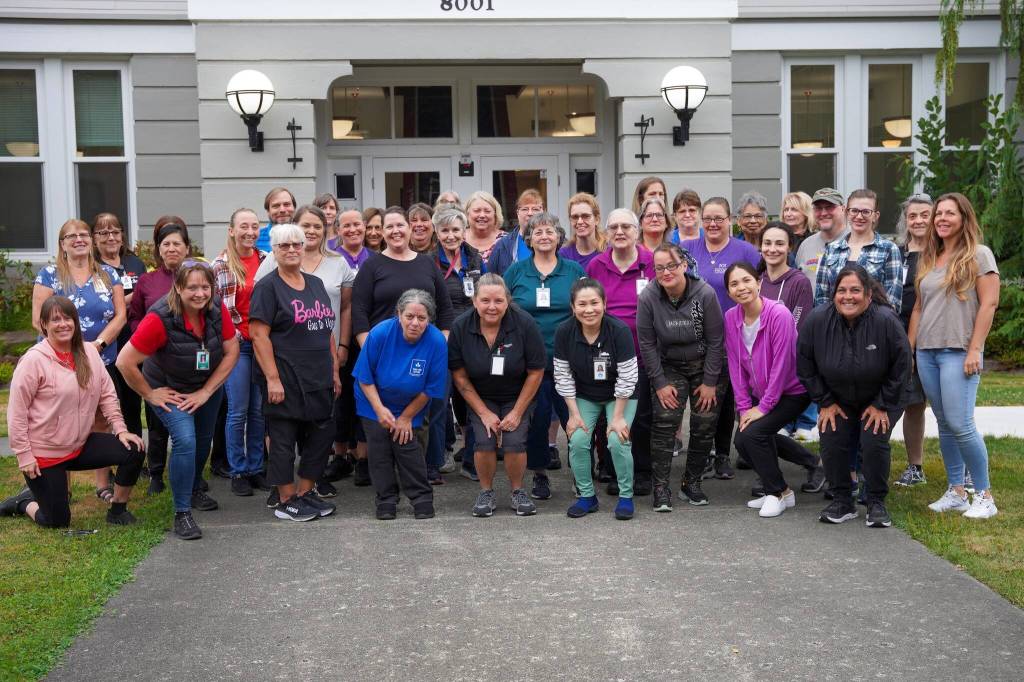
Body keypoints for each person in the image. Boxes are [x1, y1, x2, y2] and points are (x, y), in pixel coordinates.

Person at [116, 262, 240, 540]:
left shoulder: (217, 309)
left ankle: (194, 487)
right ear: (179, 288)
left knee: (203, 440)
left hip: (206, 387)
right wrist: (149, 393)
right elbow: (125, 362)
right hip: (169, 388)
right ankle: (182, 513)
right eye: (192, 287)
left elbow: (232, 351)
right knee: (185, 440)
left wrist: (207, 392)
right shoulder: (159, 318)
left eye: (205, 287)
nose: (200, 293)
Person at [2, 296, 144, 528]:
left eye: (68, 318)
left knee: (134, 448)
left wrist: (120, 430)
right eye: (55, 320)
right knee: (57, 521)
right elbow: (17, 413)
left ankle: (117, 509)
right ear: (44, 325)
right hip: (45, 454)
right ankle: (22, 502)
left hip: (79, 445)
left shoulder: (88, 352)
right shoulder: (33, 361)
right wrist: (24, 456)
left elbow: (107, 395)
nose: (63, 324)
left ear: (76, 323)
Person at [909, 193, 1000, 519]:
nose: (942, 219)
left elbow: (988, 304)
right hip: (927, 352)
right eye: (939, 214)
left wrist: (975, 348)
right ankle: (957, 491)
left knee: (961, 424)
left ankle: (985, 496)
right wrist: (910, 348)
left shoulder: (979, 254)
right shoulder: (931, 257)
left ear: (964, 218)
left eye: (950, 213)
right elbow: (919, 307)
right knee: (945, 424)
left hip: (958, 350)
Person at [797, 265, 911, 527]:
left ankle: (875, 502)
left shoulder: (886, 320)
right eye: (842, 291)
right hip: (837, 398)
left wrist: (882, 404)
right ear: (833, 294)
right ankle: (842, 500)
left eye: (855, 290)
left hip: (883, 397)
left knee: (872, 440)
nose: (848, 296)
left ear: (869, 295)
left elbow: (902, 366)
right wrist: (824, 402)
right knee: (832, 437)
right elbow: (805, 365)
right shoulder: (817, 320)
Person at [256, 205, 355, 498]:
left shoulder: (315, 283)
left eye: (296, 245)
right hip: (284, 373)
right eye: (284, 245)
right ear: (274, 250)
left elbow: (326, 327)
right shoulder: (267, 286)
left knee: (322, 432)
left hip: (318, 374)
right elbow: (259, 335)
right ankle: (285, 497)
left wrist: (334, 371)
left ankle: (305, 492)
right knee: (284, 438)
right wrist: (272, 378)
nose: (291, 250)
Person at [351, 206, 455, 484]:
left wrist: (439, 345)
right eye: (389, 227)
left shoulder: (425, 263)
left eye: (401, 225)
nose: (396, 231)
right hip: (382, 354)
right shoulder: (372, 265)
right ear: (381, 232)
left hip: (424, 353)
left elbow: (445, 308)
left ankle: (427, 466)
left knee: (430, 410)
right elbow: (359, 311)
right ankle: (384, 473)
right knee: (381, 412)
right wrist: (370, 349)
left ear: (410, 229)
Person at [32, 218, 127, 504]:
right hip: (59, 362)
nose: (79, 239)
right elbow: (39, 318)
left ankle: (102, 483)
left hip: (100, 357)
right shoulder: (49, 275)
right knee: (58, 421)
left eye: (84, 234)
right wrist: (68, 348)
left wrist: (97, 345)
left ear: (91, 240)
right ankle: (62, 485)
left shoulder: (109, 274)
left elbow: (121, 316)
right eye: (71, 236)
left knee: (100, 418)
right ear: (62, 244)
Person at [723, 263, 823, 518]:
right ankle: (786, 489)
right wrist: (745, 408)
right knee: (743, 440)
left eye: (746, 280)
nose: (741, 287)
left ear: (759, 283)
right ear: (728, 291)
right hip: (761, 394)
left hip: (793, 391)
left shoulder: (779, 314)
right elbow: (735, 366)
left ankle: (775, 492)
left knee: (754, 435)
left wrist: (764, 407)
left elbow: (782, 363)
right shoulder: (731, 317)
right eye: (734, 284)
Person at [637, 244, 726, 511]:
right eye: (660, 267)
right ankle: (660, 487)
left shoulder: (704, 294)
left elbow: (716, 340)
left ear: (684, 265)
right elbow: (647, 343)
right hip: (669, 365)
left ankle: (692, 482)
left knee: (704, 424)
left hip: (705, 365)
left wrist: (710, 382)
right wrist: (660, 383)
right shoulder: (648, 297)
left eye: (671, 266)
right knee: (664, 422)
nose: (666, 272)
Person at [448, 273, 546, 517]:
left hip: (518, 394)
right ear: (474, 301)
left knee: (514, 441)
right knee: (484, 439)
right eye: (485, 300)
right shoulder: (461, 326)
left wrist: (517, 412)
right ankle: (486, 491)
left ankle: (517, 491)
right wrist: (483, 412)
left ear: (507, 301)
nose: (492, 307)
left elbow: (536, 371)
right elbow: (459, 376)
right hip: (480, 395)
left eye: (499, 301)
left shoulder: (524, 323)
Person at [504, 212, 586, 500]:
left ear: (559, 236)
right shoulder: (516, 272)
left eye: (549, 231)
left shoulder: (574, 270)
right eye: (537, 232)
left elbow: (587, 309)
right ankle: (539, 474)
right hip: (529, 363)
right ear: (528, 239)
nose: (543, 236)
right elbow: (503, 312)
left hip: (569, 360)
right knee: (537, 420)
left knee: (575, 418)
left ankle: (581, 473)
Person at [681, 197, 760, 478]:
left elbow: (759, 287)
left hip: (734, 335)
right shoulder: (687, 248)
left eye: (719, 218)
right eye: (708, 219)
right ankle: (701, 454)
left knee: (726, 398)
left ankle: (723, 455)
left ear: (730, 221)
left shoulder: (746, 251)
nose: (713, 224)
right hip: (693, 335)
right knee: (702, 398)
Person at [353, 290, 448, 520]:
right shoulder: (380, 333)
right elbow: (364, 377)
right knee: (379, 449)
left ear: (429, 320)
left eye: (422, 318)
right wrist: (379, 410)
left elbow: (431, 388)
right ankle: (386, 499)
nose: (415, 323)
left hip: (411, 404)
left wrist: (405, 417)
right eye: (409, 316)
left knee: (408, 446)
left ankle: (422, 497)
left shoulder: (436, 341)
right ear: (399, 314)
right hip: (373, 401)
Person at [554, 278, 640, 520]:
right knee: (578, 438)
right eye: (582, 304)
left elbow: (628, 375)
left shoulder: (619, 331)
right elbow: (562, 374)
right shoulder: (564, 332)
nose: (589, 309)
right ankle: (586, 496)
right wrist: (573, 414)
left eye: (594, 303)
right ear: (572, 307)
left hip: (620, 395)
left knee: (616, 439)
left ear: (605, 303)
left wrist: (619, 417)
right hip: (585, 395)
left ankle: (625, 496)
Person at [585, 208, 655, 496]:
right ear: (606, 232)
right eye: (613, 227)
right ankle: (614, 470)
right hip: (605, 356)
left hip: (644, 354)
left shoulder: (651, 263)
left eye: (626, 226)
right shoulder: (596, 266)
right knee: (609, 416)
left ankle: (642, 472)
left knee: (640, 418)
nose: (620, 232)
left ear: (637, 231)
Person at [127, 218, 189, 489]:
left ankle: (188, 471)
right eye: (166, 244)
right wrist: (147, 336)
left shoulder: (195, 277)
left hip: (188, 361)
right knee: (156, 417)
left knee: (186, 418)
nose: (172, 249)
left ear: (187, 248)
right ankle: (155, 472)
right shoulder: (147, 281)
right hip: (155, 361)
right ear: (159, 250)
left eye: (177, 243)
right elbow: (134, 318)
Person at [213, 208, 269, 497]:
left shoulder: (266, 261)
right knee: (238, 410)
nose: (250, 231)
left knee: (259, 410)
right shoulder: (220, 265)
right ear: (232, 230)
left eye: (255, 226)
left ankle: (256, 467)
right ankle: (238, 470)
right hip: (236, 346)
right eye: (243, 226)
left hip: (262, 343)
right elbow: (213, 309)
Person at [431, 205, 486, 479]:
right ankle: (440, 454)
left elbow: (485, 294)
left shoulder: (475, 258)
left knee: (472, 398)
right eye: (445, 230)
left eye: (456, 229)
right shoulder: (429, 261)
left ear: (464, 231)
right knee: (441, 399)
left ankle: (473, 458)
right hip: (442, 339)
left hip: (473, 338)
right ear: (437, 233)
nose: (451, 235)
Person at [91, 213, 148, 461]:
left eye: (115, 231)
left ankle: (134, 456)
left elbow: (146, 298)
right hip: (105, 346)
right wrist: (128, 300)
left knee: (133, 404)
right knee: (110, 406)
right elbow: (98, 306)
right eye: (103, 233)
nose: (111, 237)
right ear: (94, 239)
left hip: (134, 343)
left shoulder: (135, 264)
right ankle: (110, 459)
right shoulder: (91, 268)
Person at [758, 221, 817, 443]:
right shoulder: (755, 279)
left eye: (779, 244)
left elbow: (796, 326)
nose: (772, 249)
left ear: (790, 247)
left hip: (786, 363)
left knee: (770, 433)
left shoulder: (799, 282)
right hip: (757, 365)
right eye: (767, 243)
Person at [892, 194, 933, 487]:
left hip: (935, 337)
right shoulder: (897, 252)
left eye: (924, 215)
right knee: (913, 403)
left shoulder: (942, 254)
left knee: (950, 408)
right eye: (912, 216)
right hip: (900, 336)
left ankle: (965, 468)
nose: (918, 221)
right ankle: (915, 466)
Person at [813, 189, 904, 312]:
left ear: (875, 216)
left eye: (866, 212)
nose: (859, 216)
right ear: (846, 212)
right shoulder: (832, 249)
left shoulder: (888, 249)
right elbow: (821, 298)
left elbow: (892, 303)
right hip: (834, 326)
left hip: (874, 327)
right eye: (854, 211)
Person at [795, 187, 846, 282]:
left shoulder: (855, 241)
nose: (823, 213)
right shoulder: (806, 245)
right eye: (818, 208)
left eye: (829, 207)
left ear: (843, 209)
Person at [488, 189, 545, 276]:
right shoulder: (503, 245)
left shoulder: (556, 243)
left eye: (535, 209)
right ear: (517, 213)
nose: (530, 213)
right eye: (525, 209)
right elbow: (491, 278)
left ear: (543, 212)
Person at [559, 192, 606, 269]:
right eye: (575, 217)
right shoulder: (563, 255)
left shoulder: (609, 252)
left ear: (597, 219)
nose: (580, 222)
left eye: (586, 216)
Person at [463, 191, 505, 264]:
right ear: (467, 213)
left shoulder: (507, 240)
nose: (482, 215)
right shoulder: (458, 239)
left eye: (487, 211)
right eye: (477, 211)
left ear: (495, 214)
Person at [255, 186, 296, 252]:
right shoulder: (256, 238)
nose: (282, 210)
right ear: (268, 211)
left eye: (286, 204)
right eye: (276, 206)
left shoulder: (304, 236)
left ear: (294, 208)